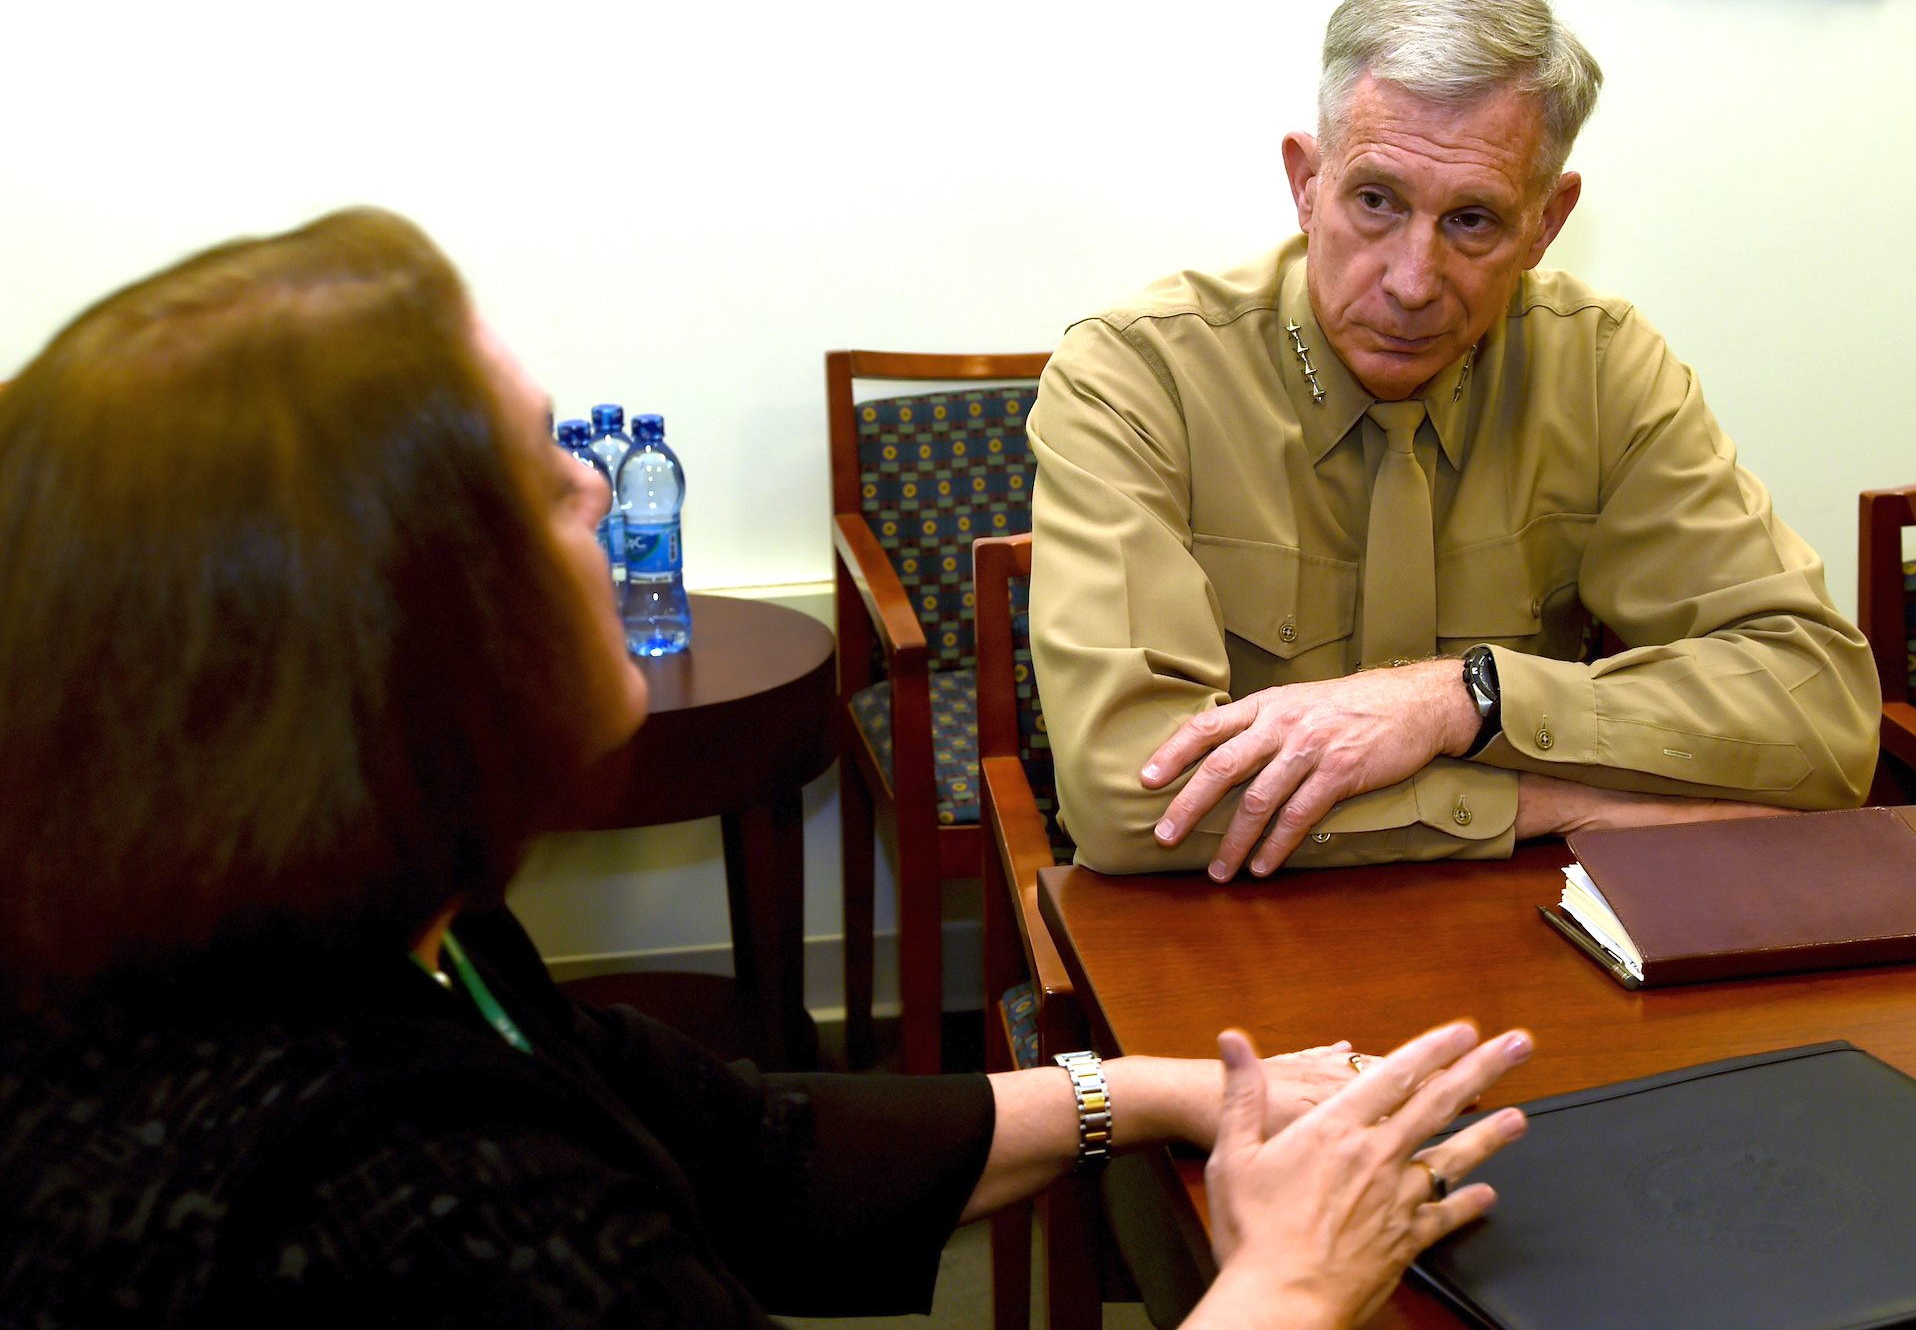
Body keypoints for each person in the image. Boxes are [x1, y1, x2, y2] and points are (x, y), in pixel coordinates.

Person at [0, 208, 1531, 1328]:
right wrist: (1288, 1279)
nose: (600, 487)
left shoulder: (387, 945)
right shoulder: (441, 1221)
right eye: (540, 473)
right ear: (404, 642)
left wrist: (1162, 1089)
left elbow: (751, 1149)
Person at [1027, 0, 1880, 880]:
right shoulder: (1134, 376)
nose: (1411, 283)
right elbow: (1127, 794)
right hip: (1226, 936)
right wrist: (1556, 804)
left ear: (1546, 225)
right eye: (1376, 201)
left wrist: (1464, 696)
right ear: (1306, 182)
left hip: (1526, 943)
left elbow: (1823, 713)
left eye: (1472, 220)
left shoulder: (1600, 367)